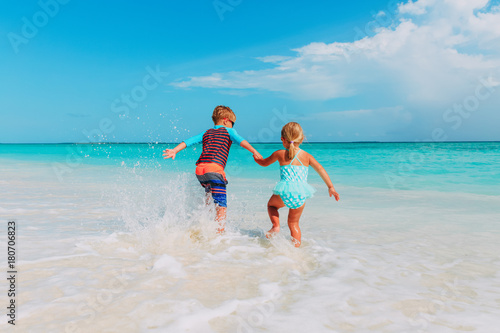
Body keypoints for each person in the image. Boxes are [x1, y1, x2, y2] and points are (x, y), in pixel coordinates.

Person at [163, 105, 262, 233]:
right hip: (214, 169)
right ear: (226, 120)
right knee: (221, 204)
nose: (233, 126)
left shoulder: (206, 132)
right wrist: (254, 151)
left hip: (200, 170)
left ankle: (204, 224)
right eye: (233, 123)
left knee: (209, 195)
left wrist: (174, 150)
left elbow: (189, 141)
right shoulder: (229, 131)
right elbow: (241, 141)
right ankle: (219, 233)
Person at [254, 122, 340, 247]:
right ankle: (295, 251)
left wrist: (257, 159)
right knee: (294, 224)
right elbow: (320, 169)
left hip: (284, 192)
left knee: (272, 206)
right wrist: (331, 187)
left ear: (283, 139)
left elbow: (264, 163)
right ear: (302, 138)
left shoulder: (279, 153)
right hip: (301, 194)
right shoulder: (307, 156)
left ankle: (276, 226)